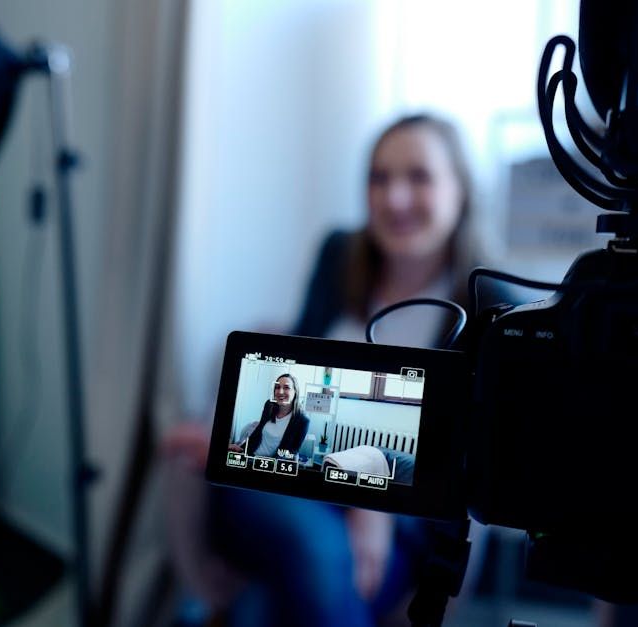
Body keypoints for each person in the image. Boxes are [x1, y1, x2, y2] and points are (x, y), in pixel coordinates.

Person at [163, 112, 492, 627]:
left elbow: (462, 460)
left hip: (400, 520)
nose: (395, 198)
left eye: (419, 177)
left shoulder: (487, 302)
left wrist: (373, 504)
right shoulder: (340, 256)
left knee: (282, 591)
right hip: (284, 485)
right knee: (308, 546)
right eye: (379, 178)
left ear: (462, 189)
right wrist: (230, 432)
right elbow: (291, 379)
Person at [228, 374, 310, 459]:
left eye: (286, 387)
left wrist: (270, 464)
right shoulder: (269, 405)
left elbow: (292, 451)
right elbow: (257, 432)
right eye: (277, 387)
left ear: (295, 391)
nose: (280, 391)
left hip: (272, 463)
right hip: (251, 455)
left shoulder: (302, 420)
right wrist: (241, 449)